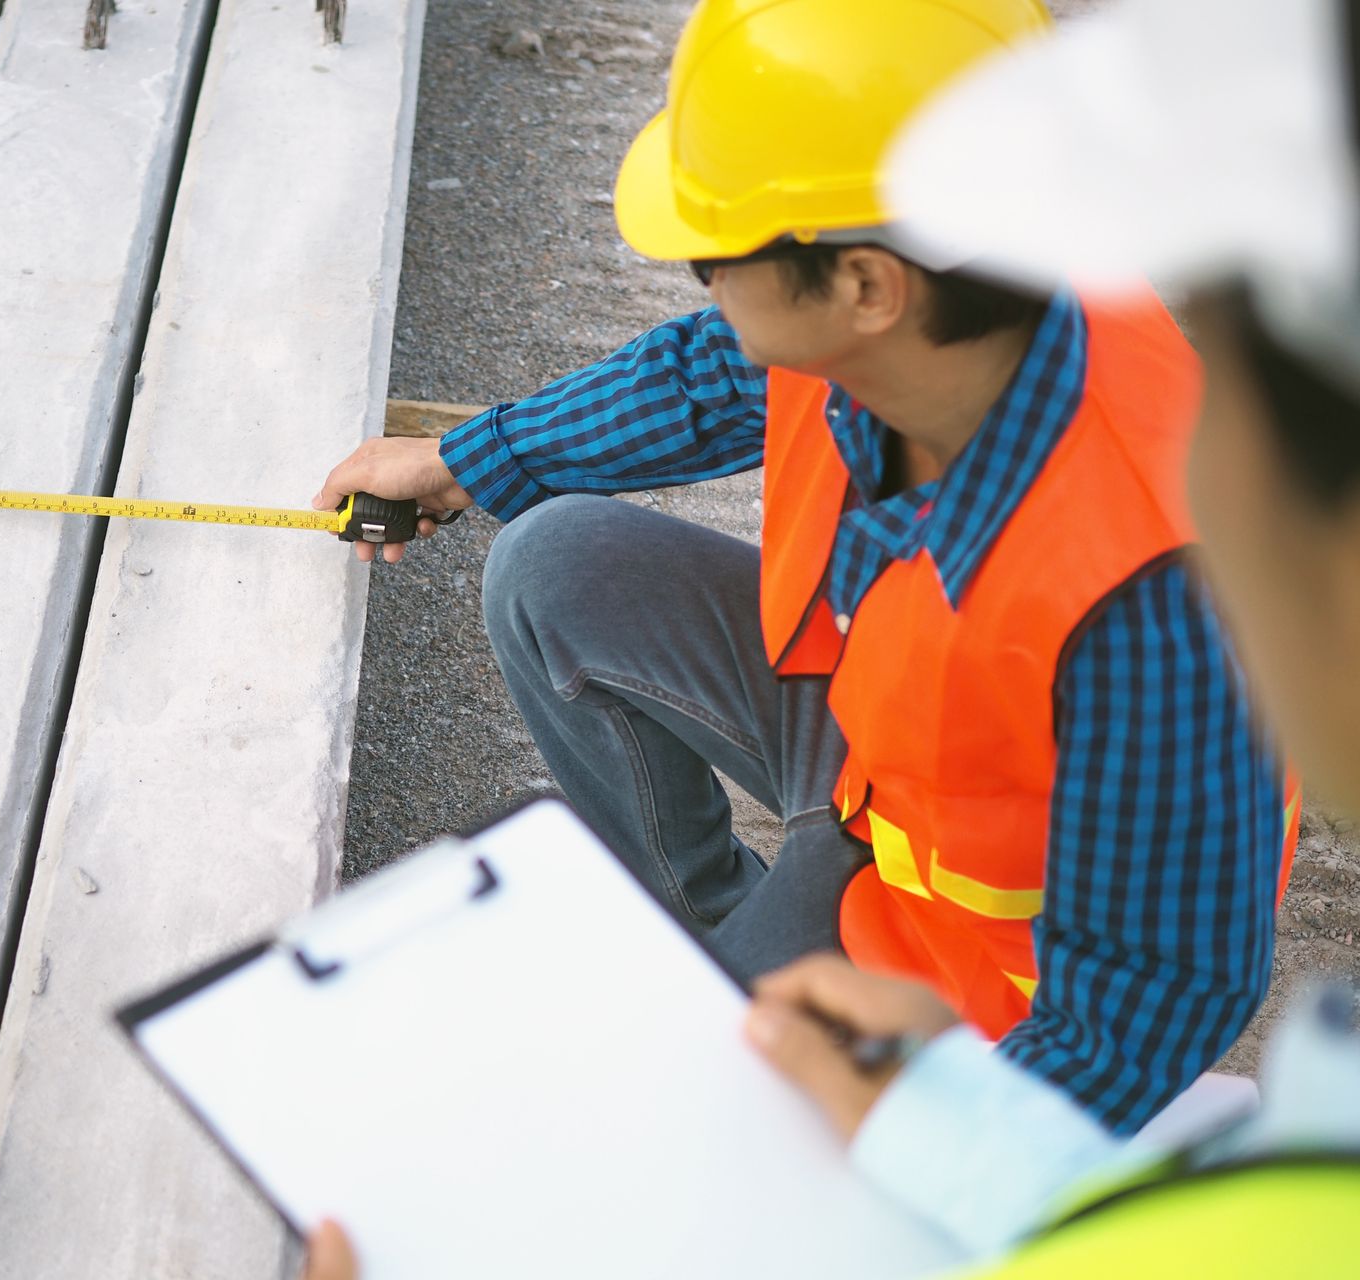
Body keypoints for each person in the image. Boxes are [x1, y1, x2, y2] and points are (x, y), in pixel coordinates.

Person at [303, 0, 1360, 1273]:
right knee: (557, 561)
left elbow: (1148, 998)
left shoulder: (1155, 599)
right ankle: (705, 948)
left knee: (663, 1187)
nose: (701, 281)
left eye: (716, 255)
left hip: (976, 963)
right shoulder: (936, 305)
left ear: (864, 284)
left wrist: (930, 1155)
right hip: (877, 763)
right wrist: (467, 459)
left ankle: (734, 1025)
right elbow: (711, 371)